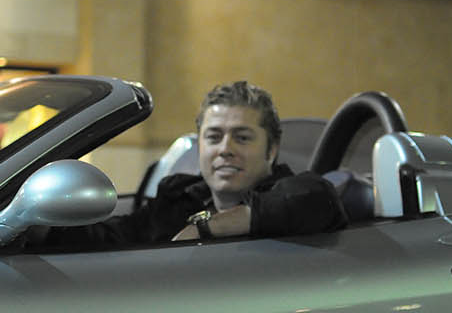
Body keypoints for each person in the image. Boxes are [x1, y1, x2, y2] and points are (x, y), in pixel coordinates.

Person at [46, 80, 346, 247]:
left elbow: (318, 199)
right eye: (214, 137)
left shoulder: (294, 196)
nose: (225, 149)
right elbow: (115, 238)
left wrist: (207, 228)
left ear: (272, 150)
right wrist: (43, 229)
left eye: (242, 138)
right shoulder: (181, 198)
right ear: (200, 145)